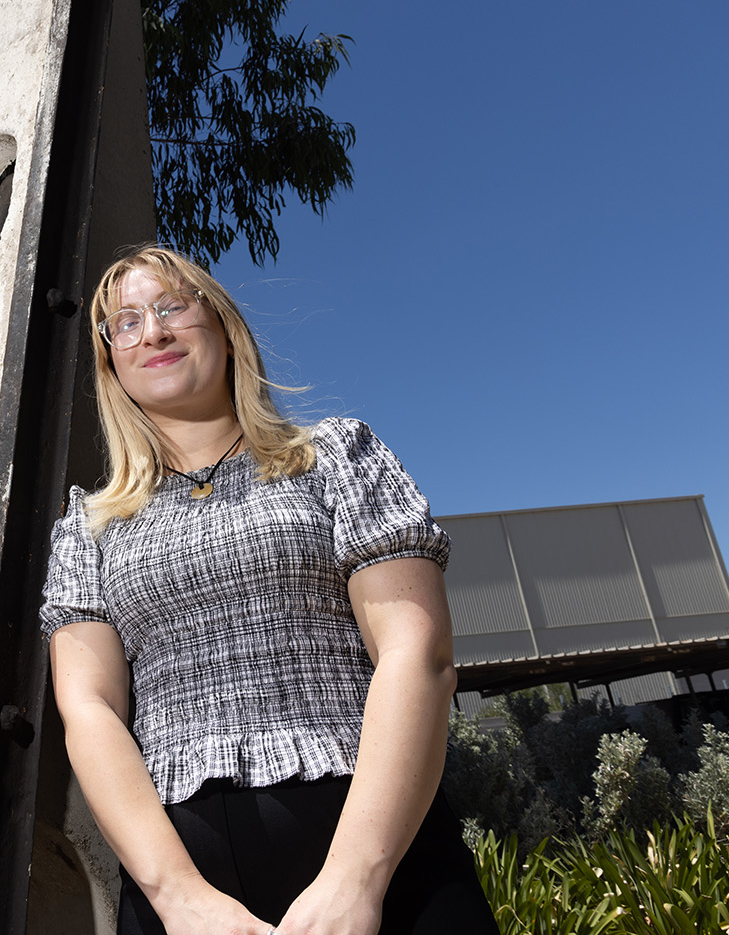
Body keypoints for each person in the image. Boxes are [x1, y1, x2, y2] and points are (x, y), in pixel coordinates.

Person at [41, 246, 497, 935]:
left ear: (224, 329)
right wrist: (179, 899)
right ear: (111, 362)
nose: (152, 332)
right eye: (125, 322)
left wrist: (355, 882)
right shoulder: (88, 526)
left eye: (172, 308)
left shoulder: (338, 458)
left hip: (385, 867)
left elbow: (417, 655)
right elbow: (89, 709)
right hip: (183, 895)